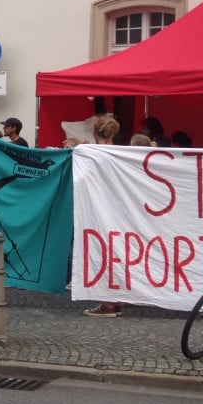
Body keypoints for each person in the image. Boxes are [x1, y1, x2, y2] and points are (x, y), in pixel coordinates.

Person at [84, 116, 123, 318]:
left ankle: (109, 303)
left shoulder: (90, 153)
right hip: (120, 211)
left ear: (95, 132)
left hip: (99, 210)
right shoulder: (121, 153)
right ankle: (115, 300)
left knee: (103, 254)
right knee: (117, 253)